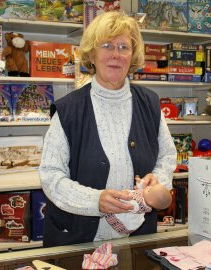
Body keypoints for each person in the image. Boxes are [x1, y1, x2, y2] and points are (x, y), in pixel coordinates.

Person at [39, 11, 177, 247]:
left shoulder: (150, 103)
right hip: (77, 240)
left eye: (124, 47)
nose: (116, 54)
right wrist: (95, 201)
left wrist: (154, 188)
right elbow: (51, 176)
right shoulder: (69, 110)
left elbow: (167, 156)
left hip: (137, 239)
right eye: (107, 45)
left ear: (132, 56)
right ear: (92, 54)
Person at [104, 176, 172, 234]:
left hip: (119, 214)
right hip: (121, 203)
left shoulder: (140, 204)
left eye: (149, 190)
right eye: (150, 187)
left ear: (150, 202)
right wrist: (140, 182)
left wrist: (123, 197)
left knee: (112, 209)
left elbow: (130, 206)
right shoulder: (145, 195)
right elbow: (141, 188)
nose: (148, 187)